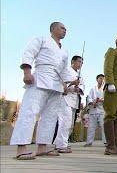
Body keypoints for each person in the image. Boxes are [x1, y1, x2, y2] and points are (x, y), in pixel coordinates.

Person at [10, 22, 72, 160]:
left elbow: (64, 69)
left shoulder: (64, 51)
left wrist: (65, 85)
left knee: (50, 116)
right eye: (62, 28)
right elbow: (29, 53)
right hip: (40, 78)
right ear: (53, 29)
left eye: (66, 29)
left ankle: (42, 147)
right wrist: (27, 72)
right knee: (29, 111)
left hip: (56, 84)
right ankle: (21, 148)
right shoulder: (41, 39)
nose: (65, 30)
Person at [54, 55, 85, 153]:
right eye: (79, 61)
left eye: (82, 62)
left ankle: (61, 142)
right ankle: (61, 145)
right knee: (65, 121)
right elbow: (62, 83)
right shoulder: (66, 71)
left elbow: (82, 87)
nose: (80, 64)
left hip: (74, 100)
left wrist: (78, 88)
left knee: (70, 124)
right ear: (73, 61)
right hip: (65, 99)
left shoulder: (80, 75)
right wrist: (72, 83)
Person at [84, 74, 107, 147]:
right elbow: (89, 98)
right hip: (93, 110)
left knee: (104, 126)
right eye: (100, 78)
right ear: (97, 79)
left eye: (103, 79)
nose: (101, 80)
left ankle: (106, 142)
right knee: (91, 127)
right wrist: (92, 102)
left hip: (101, 110)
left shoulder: (105, 89)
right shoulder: (93, 89)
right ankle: (89, 142)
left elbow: (107, 99)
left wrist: (100, 100)